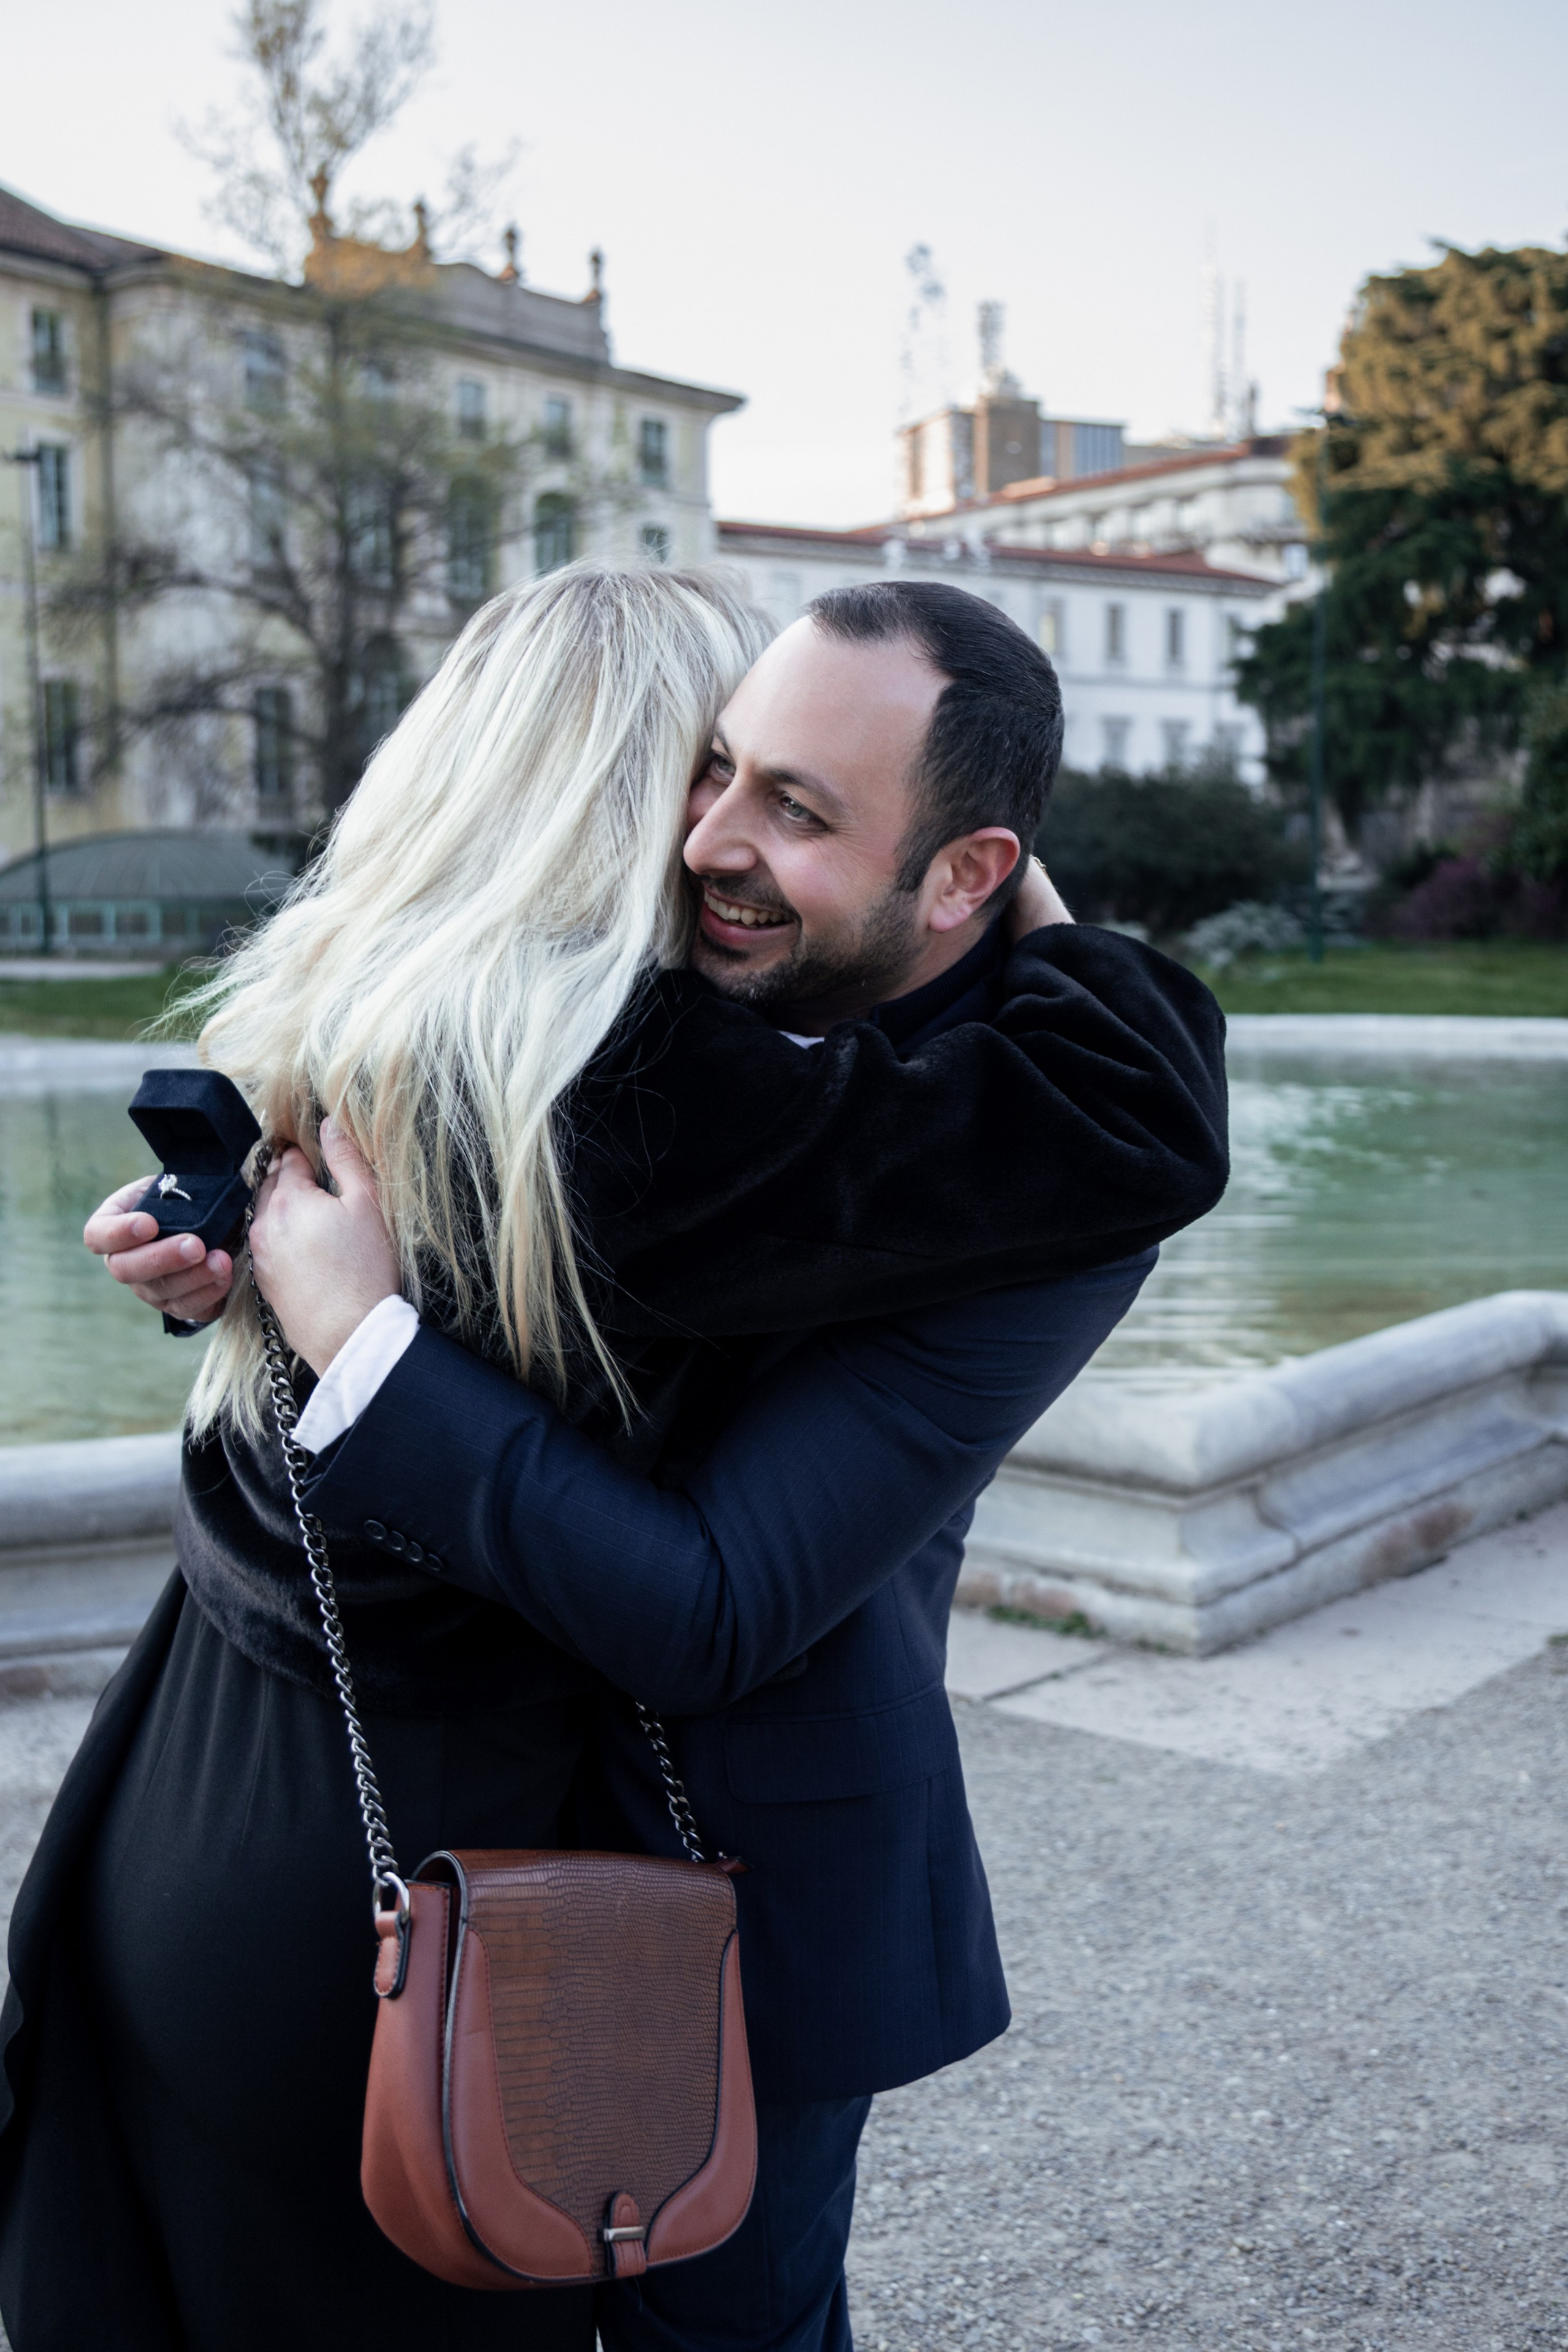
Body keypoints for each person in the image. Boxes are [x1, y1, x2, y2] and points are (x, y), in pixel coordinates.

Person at [11, 572, 1226, 2351]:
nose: (711, 838)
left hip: (751, 1883)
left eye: (795, 806)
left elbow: (717, 1597)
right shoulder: (570, 1048)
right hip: (424, 1832)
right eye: (708, 769)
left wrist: (359, 1341)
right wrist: (245, 1259)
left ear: (962, 868)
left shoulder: (1021, 1151)